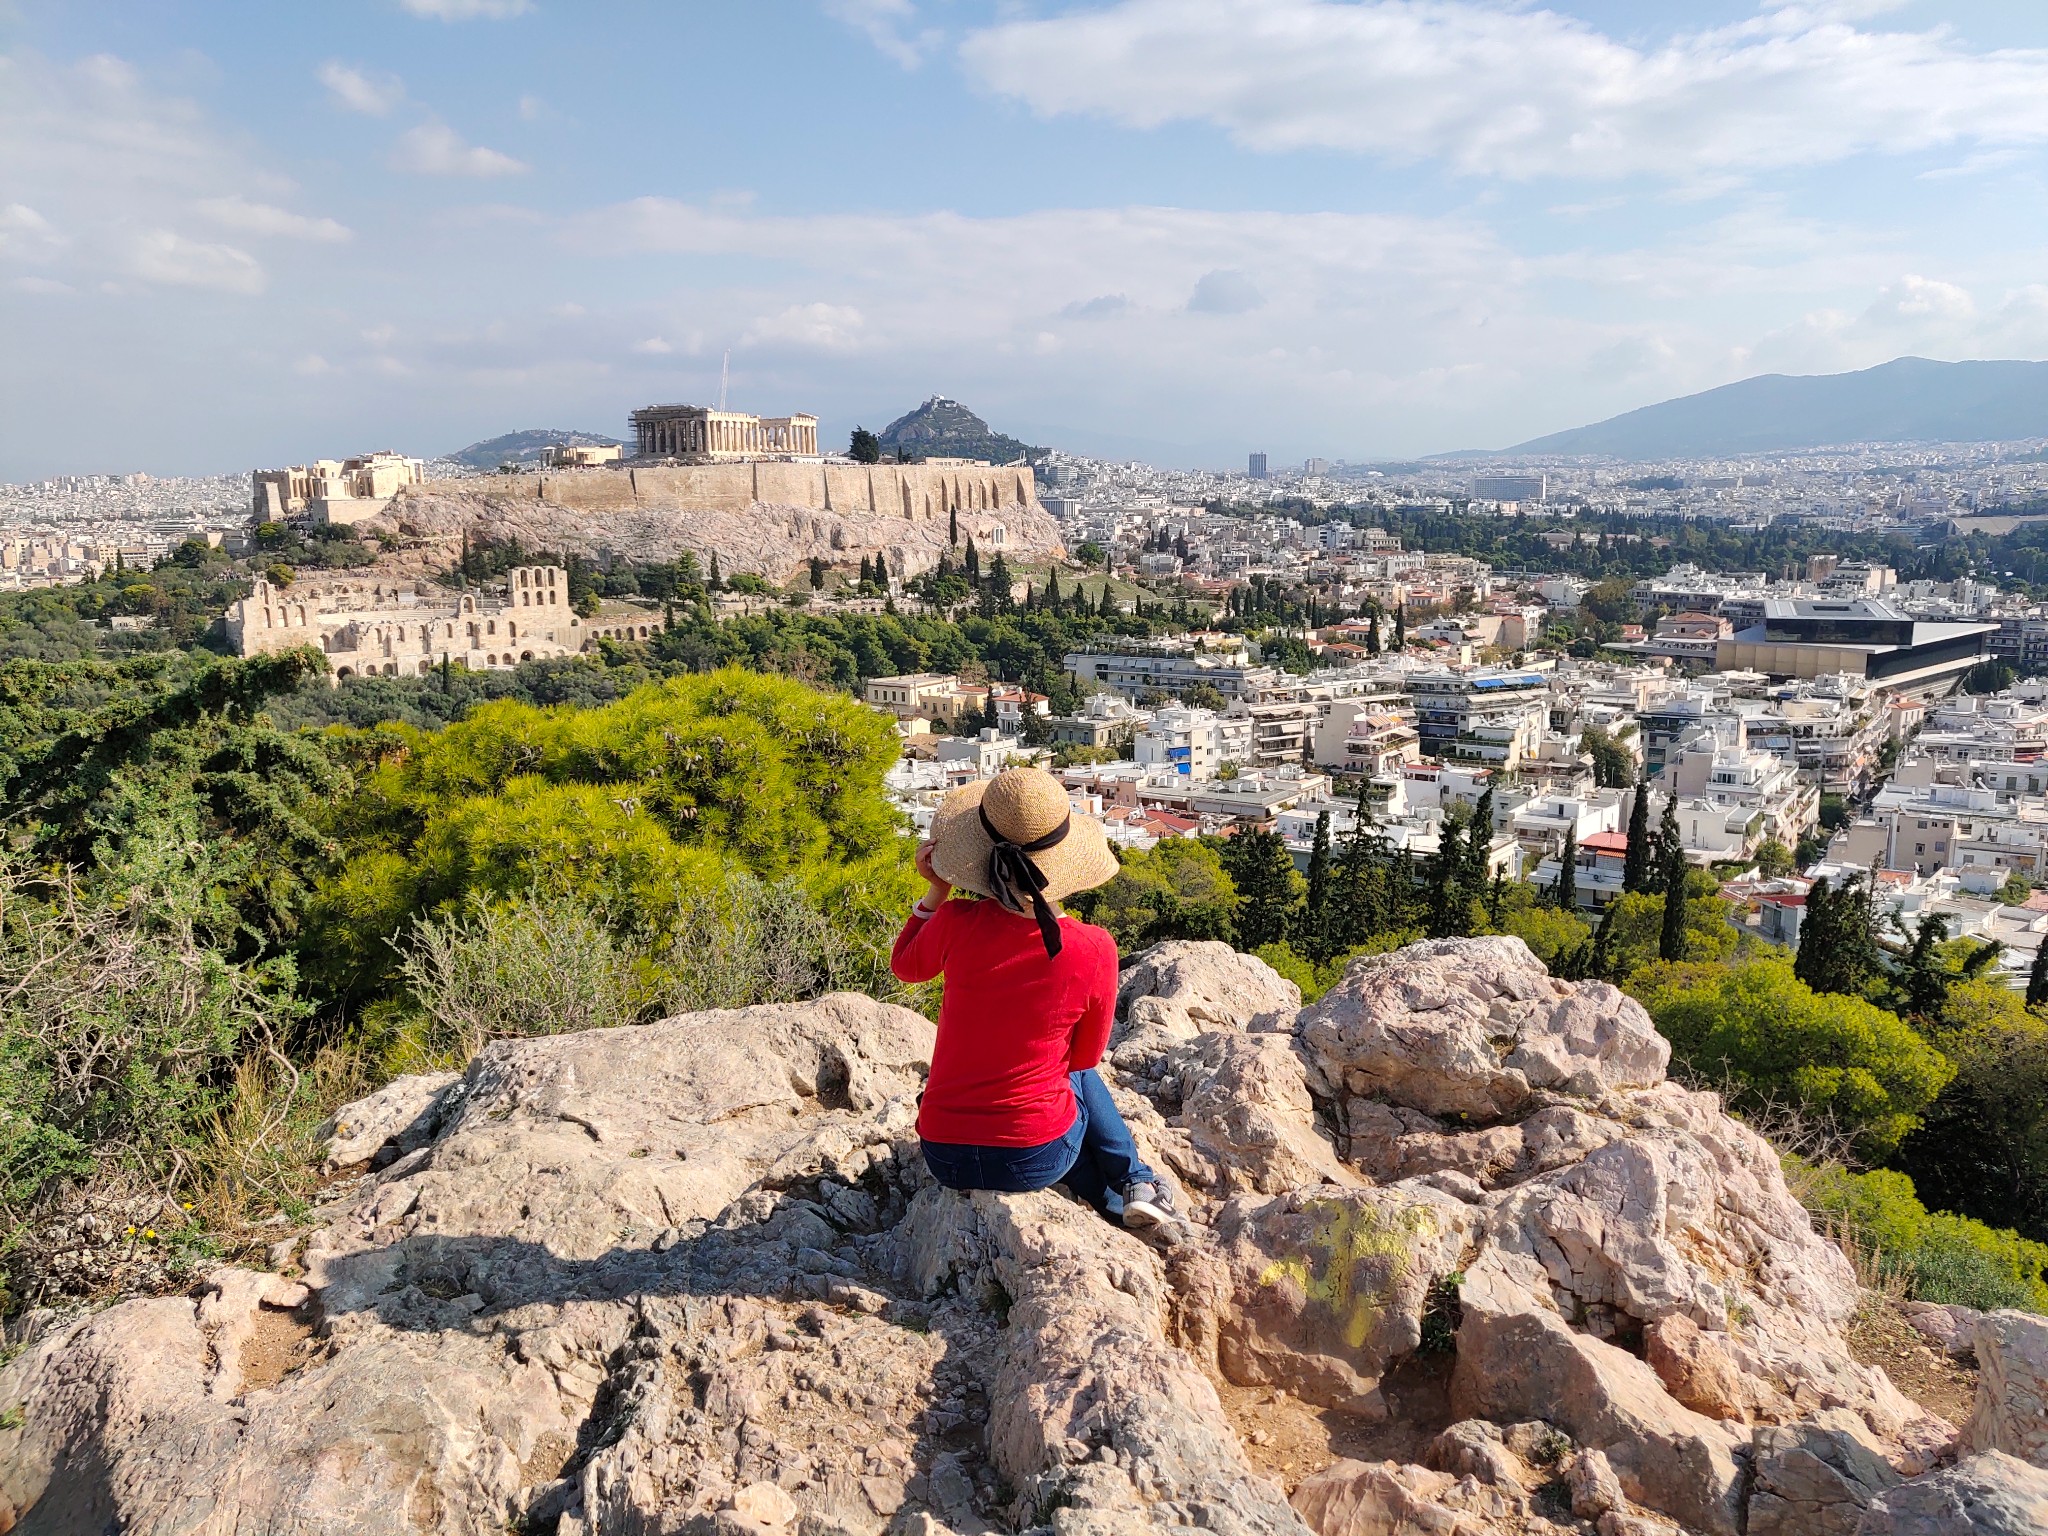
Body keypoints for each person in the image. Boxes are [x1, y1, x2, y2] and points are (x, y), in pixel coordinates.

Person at [891, 765, 1181, 1237]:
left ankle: (1122, 1194)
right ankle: (1133, 1186)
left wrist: (937, 891)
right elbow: (1083, 1059)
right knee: (1075, 1082)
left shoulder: (955, 922)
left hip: (943, 1153)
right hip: (1034, 1156)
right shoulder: (1092, 948)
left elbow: (904, 965)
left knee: (1053, 1106)